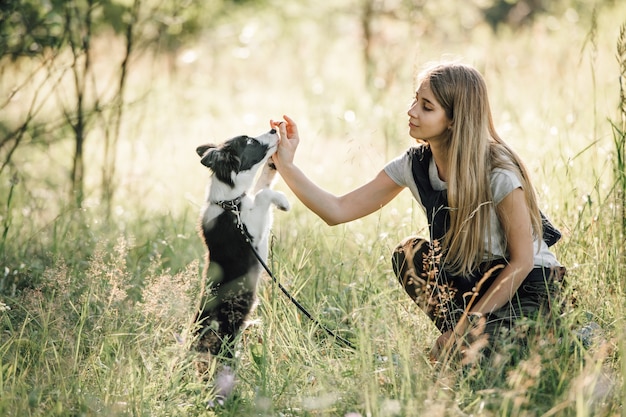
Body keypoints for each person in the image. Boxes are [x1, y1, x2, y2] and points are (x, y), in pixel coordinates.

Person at [269, 62, 565, 362]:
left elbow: (522, 261)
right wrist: (287, 164)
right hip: (473, 281)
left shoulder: (498, 172)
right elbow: (337, 210)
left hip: (527, 287)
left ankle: (554, 336)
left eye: (426, 107)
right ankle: (466, 345)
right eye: (415, 100)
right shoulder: (415, 165)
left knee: (494, 364)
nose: (411, 111)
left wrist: (463, 329)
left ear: (453, 119)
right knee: (409, 255)